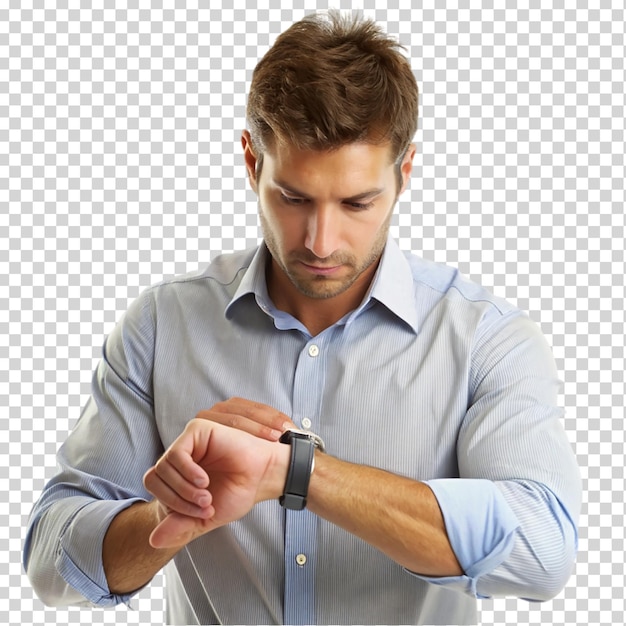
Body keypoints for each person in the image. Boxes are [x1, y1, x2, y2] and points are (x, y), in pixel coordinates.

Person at [23, 10, 581, 626]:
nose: (320, 240)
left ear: (406, 173)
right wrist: (169, 515)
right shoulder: (162, 326)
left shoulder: (485, 339)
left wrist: (298, 474)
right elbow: (50, 565)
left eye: (357, 202)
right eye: (293, 199)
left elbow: (543, 551)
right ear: (250, 162)